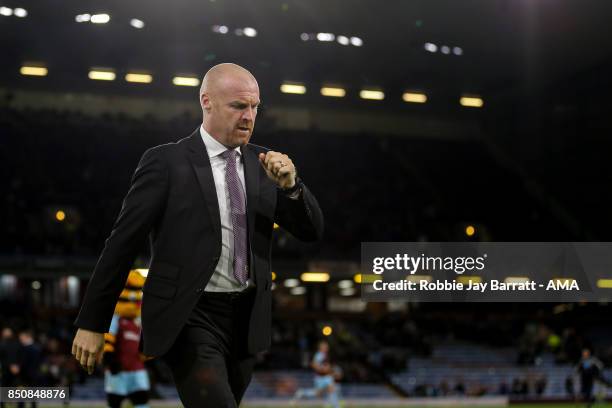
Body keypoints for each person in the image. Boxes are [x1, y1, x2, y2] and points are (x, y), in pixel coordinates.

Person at [71, 62, 324, 407]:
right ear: (206, 101)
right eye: (238, 106)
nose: (249, 116)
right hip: (190, 315)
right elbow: (122, 243)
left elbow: (311, 232)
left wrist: (293, 188)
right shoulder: (165, 162)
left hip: (247, 320)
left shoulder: (265, 166)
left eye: (254, 107)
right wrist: (92, 322)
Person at [102, 270, 150, 408]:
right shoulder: (115, 320)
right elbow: (108, 341)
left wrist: (147, 355)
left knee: (142, 401)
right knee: (115, 402)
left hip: (137, 368)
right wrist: (109, 359)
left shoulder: (139, 321)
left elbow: (145, 342)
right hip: (118, 369)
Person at [292, 340, 341, 408]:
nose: (327, 348)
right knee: (317, 393)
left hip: (326, 377)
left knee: (331, 389)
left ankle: (335, 406)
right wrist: (323, 369)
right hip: (320, 378)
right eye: (325, 347)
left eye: (327, 347)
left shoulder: (325, 355)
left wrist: (329, 370)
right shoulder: (319, 355)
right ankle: (302, 392)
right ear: (321, 348)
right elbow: (314, 365)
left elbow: (326, 365)